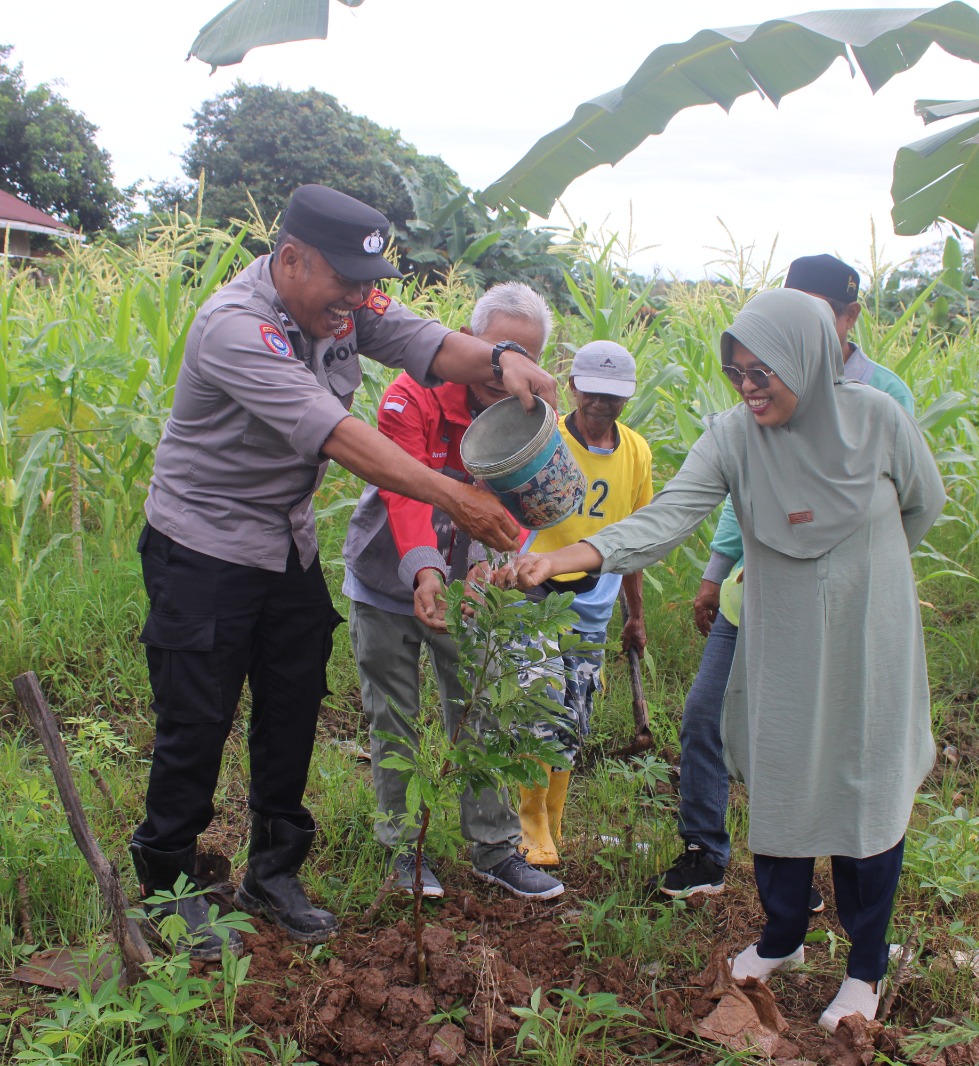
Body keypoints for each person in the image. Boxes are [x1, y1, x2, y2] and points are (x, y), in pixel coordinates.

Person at [130, 184, 559, 960]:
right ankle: (169, 888)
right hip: (202, 548)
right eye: (346, 285)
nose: (359, 304)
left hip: (283, 546)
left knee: (292, 706)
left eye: (367, 287)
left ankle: (273, 871)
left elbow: (428, 342)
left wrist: (502, 361)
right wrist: (454, 499)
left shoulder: (340, 301)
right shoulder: (236, 328)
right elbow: (338, 433)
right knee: (197, 719)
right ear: (291, 259)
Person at [509, 289, 944, 1031]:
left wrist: (861, 572)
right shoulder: (734, 438)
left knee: (864, 790)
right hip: (783, 632)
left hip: (871, 636)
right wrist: (574, 555)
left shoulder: (879, 420)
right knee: (782, 775)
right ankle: (783, 936)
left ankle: (866, 969)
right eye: (737, 373)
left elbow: (921, 506)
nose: (748, 387)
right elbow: (669, 516)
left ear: (806, 358)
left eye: (762, 372)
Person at [659, 254, 917, 905]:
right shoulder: (764, 385)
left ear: (849, 317)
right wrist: (715, 574)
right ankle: (704, 851)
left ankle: (805, 872)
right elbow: (737, 488)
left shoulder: (883, 397)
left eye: (817, 313)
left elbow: (901, 503)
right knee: (706, 713)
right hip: (755, 589)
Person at [341, 282, 565, 902]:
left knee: (482, 714)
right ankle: (400, 851)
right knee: (393, 714)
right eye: (500, 351)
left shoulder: (531, 415)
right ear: (470, 344)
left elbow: (529, 503)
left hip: (472, 586)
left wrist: (494, 566)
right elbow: (404, 492)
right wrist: (426, 571)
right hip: (387, 578)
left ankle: (495, 848)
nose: (509, 370)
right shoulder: (411, 393)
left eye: (527, 355)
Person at [514, 340, 653, 867]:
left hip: (593, 600)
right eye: (591, 391)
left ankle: (554, 819)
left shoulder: (635, 451)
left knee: (574, 713)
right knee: (538, 702)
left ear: (627, 397)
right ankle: (530, 822)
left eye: (613, 396)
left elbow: (637, 537)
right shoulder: (543, 439)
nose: (601, 403)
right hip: (534, 592)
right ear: (572, 387)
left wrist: (636, 615)